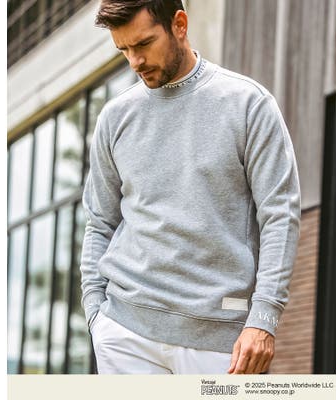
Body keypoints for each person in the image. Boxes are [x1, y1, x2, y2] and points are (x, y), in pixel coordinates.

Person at [80, 0, 301, 375]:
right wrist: (95, 314)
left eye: (143, 44)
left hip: (220, 342)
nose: (135, 62)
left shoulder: (248, 104)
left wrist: (264, 318)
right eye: (124, 50)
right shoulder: (115, 117)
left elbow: (280, 215)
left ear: (179, 24)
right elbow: (100, 221)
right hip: (125, 334)